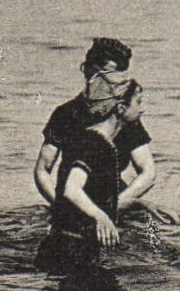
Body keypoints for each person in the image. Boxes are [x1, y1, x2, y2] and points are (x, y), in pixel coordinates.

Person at [35, 38, 156, 215]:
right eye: (109, 74)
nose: (118, 82)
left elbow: (147, 172)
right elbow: (42, 170)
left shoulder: (124, 116)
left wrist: (117, 205)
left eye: (121, 75)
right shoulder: (65, 114)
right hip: (71, 199)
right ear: (88, 71)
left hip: (112, 199)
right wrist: (62, 207)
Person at [36, 77, 145, 274]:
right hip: (69, 250)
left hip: (75, 246)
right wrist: (101, 217)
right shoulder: (94, 143)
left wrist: (141, 204)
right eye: (138, 102)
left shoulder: (101, 141)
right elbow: (71, 189)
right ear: (121, 108)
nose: (142, 109)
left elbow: (96, 197)